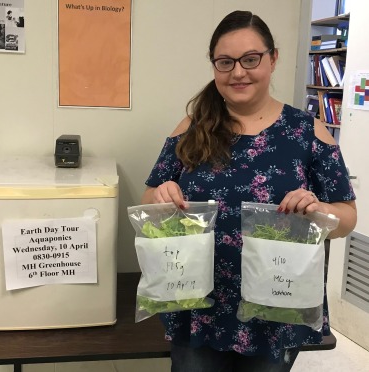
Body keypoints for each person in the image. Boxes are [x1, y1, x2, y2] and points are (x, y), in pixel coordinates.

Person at [141, 10, 357, 372]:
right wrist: (163, 194)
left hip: (275, 308)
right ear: (214, 66)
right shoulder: (193, 126)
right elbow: (148, 200)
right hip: (199, 304)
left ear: (273, 59)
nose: (238, 72)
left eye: (251, 59)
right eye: (225, 62)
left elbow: (347, 218)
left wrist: (318, 210)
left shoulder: (307, 131)